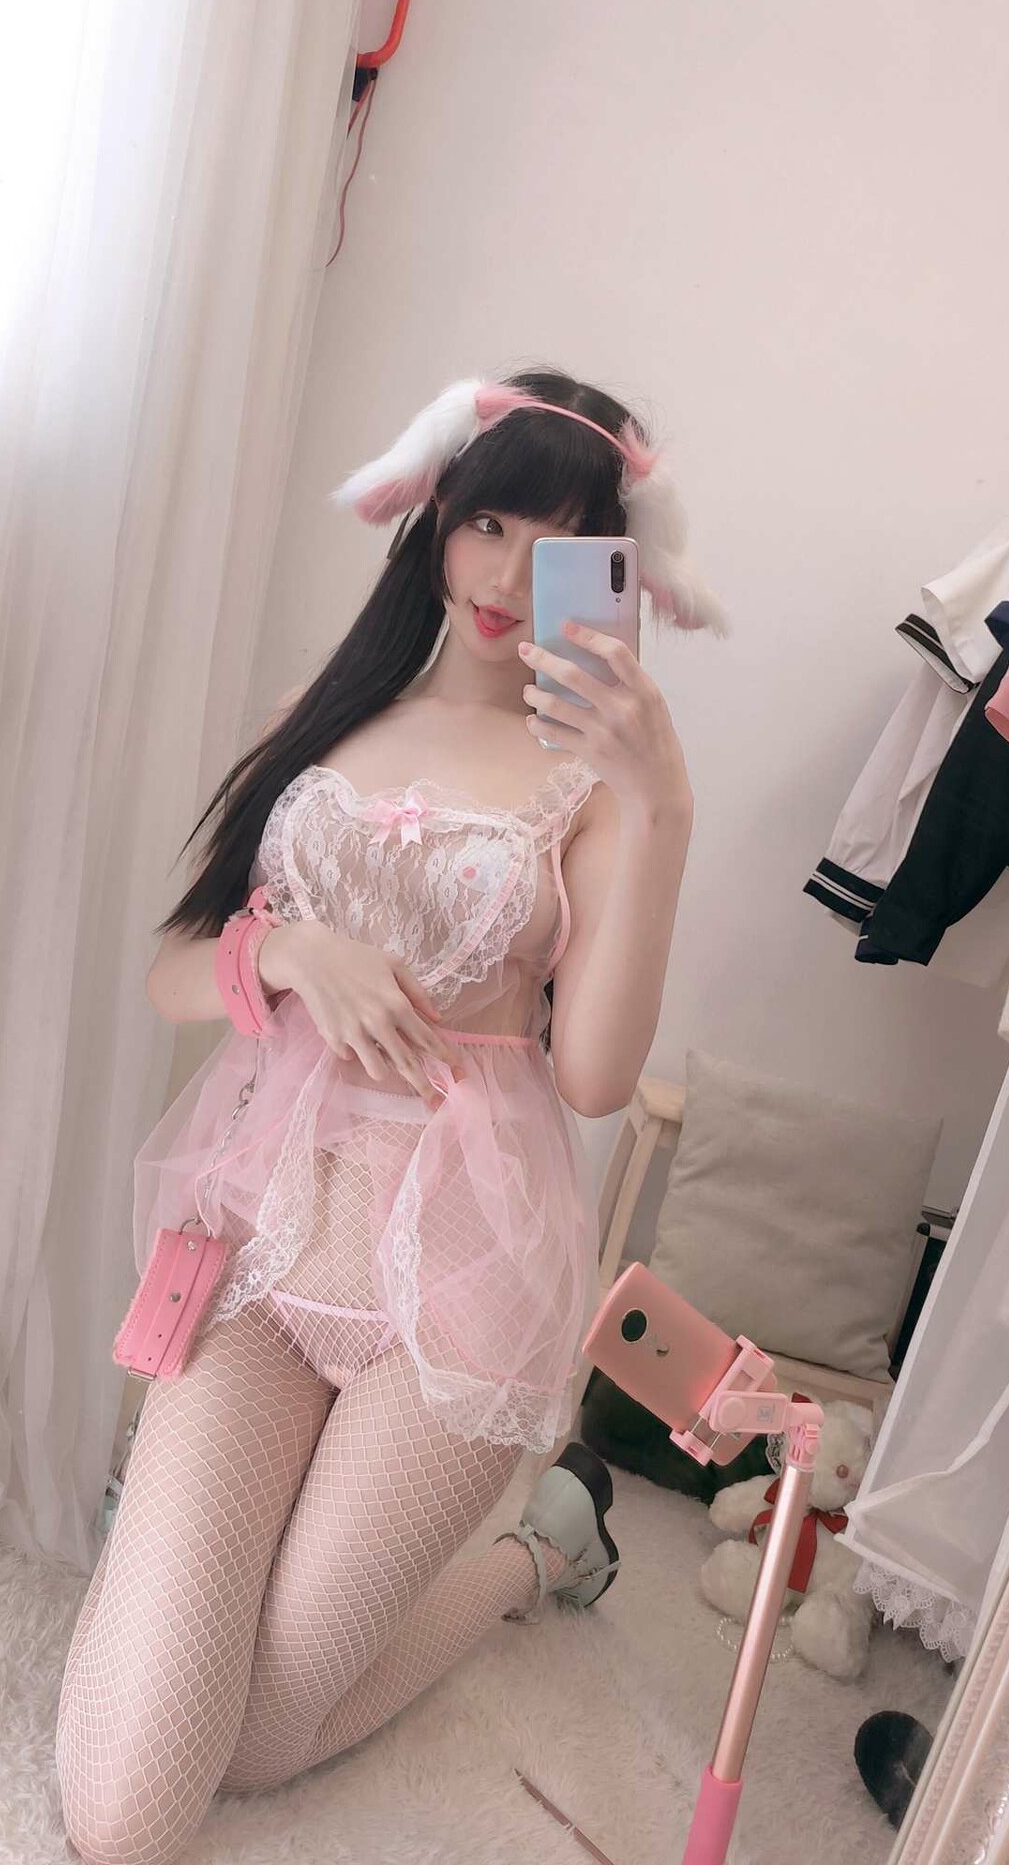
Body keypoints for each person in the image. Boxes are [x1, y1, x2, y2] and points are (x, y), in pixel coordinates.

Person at [55, 365, 727, 1864]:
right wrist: (290, 950)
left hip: (461, 1297)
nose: (505, 578)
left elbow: (594, 1079)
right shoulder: (329, 719)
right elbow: (173, 972)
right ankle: (178, 1578)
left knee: (261, 1740)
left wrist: (664, 810)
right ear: (434, 516)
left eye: (555, 547)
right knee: (125, 1813)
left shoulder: (598, 792)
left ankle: (538, 1552)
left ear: (612, 577)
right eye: (486, 523)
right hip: (261, 1246)